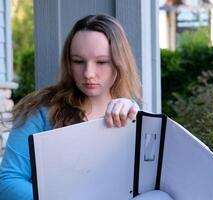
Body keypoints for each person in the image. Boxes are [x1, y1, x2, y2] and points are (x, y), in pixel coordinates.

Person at [0, 14, 142, 200]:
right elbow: (8, 181)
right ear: (68, 62)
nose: (88, 73)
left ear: (120, 63)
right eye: (78, 61)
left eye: (101, 62)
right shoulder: (42, 110)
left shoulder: (131, 114)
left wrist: (135, 118)